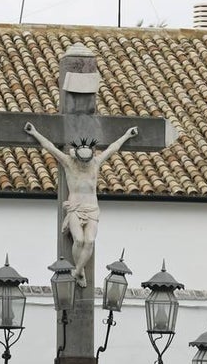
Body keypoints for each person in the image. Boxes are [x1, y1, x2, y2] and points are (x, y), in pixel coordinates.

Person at [23, 122, 140, 287]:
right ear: (77, 157)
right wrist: (34, 132)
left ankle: (78, 270)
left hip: (92, 209)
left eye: (87, 161)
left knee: (90, 240)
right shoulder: (68, 163)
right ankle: (80, 271)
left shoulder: (96, 163)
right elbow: (49, 146)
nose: (85, 164)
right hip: (75, 208)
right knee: (78, 240)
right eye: (83, 161)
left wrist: (127, 135)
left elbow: (113, 148)